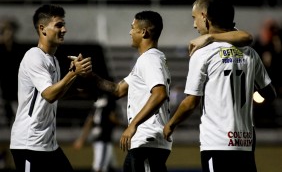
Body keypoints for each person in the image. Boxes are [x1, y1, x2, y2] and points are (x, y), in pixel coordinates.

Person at [70, 10, 253, 172]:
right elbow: (117, 90)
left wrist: (133, 126)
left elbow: (159, 94)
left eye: (132, 27)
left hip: (148, 141)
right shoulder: (146, 60)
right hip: (143, 143)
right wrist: (88, 75)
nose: (129, 32)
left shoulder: (150, 60)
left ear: (144, 32)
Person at [163, 0, 277, 172]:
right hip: (245, 143)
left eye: (195, 18)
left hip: (217, 143)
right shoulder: (250, 53)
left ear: (204, 17)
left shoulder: (203, 53)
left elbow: (191, 102)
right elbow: (270, 94)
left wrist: (170, 125)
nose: (194, 24)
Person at [9, 4, 92, 172]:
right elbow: (49, 95)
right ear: (42, 29)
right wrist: (74, 73)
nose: (64, 29)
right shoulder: (34, 56)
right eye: (59, 25)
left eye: (64, 25)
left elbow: (56, 93)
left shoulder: (52, 60)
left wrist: (80, 89)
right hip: (29, 144)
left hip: (48, 145)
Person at [73, 92, 122, 172]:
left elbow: (90, 120)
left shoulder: (98, 101)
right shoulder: (111, 100)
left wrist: (81, 139)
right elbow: (112, 117)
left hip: (97, 135)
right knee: (100, 167)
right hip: (104, 137)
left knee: (108, 165)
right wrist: (124, 126)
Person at [0, 18, 24, 127]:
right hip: (4, 86)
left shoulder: (18, 48)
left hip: (16, 86)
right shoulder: (2, 48)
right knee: (7, 111)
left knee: (18, 112)